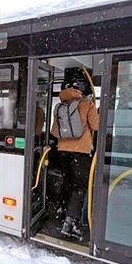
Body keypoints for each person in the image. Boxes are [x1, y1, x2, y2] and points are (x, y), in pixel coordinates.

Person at [51, 81, 98, 239]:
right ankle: (70, 223)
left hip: (62, 151)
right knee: (79, 187)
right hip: (81, 152)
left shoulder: (59, 106)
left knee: (67, 182)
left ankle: (61, 211)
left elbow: (54, 131)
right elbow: (97, 125)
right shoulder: (86, 103)